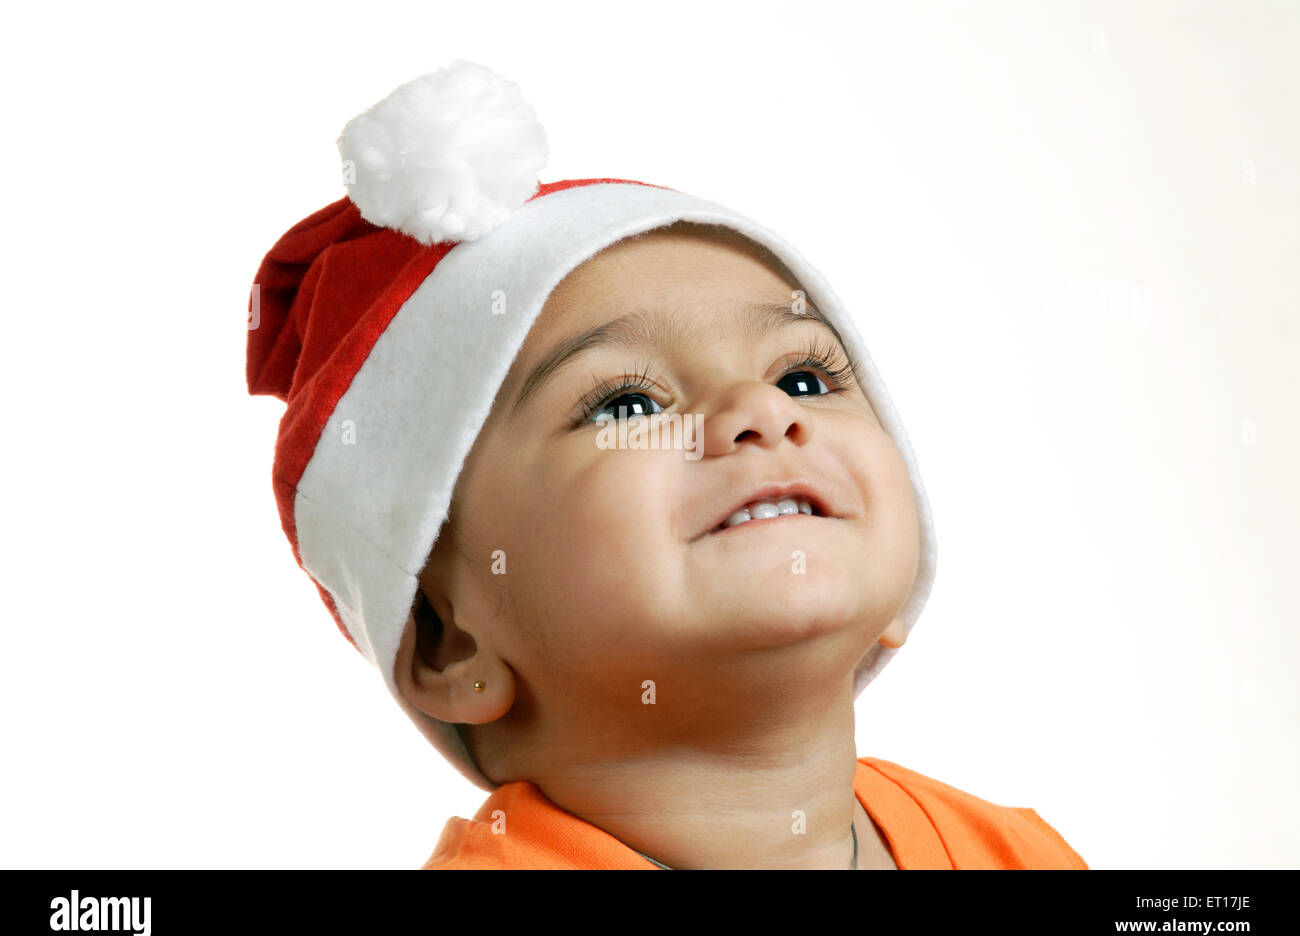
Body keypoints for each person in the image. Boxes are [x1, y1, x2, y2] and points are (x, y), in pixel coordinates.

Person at [246, 60, 1087, 870]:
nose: (761, 411)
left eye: (805, 377)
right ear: (449, 640)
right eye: (626, 406)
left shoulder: (1020, 853)